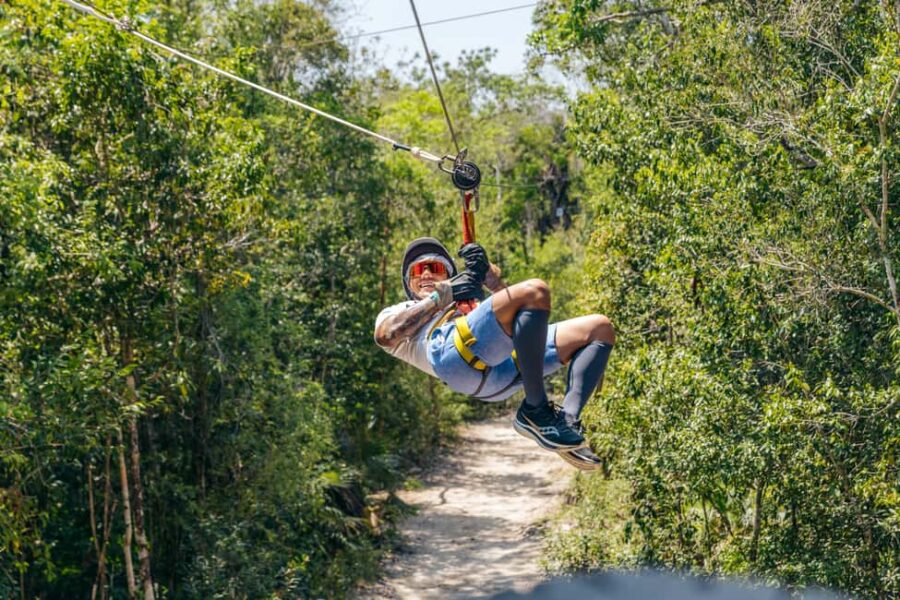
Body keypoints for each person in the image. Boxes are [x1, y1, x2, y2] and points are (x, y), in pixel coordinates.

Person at [373, 237, 615, 470]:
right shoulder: (399, 311)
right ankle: (536, 411)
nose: (426, 274)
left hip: (501, 371)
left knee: (599, 328)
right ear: (408, 282)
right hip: (452, 358)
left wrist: (490, 280)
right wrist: (440, 297)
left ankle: (563, 423)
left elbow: (525, 317)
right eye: (418, 271)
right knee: (536, 289)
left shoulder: (464, 300)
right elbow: (387, 335)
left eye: (434, 267)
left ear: (447, 274)